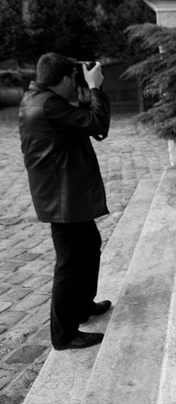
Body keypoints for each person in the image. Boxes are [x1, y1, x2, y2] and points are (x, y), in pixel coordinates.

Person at [19, 53, 112, 351]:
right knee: (70, 265)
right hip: (62, 199)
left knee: (88, 249)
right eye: (75, 79)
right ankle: (64, 334)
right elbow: (97, 122)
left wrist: (86, 94)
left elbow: (83, 124)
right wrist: (95, 88)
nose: (77, 83)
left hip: (63, 195)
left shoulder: (41, 99)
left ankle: (83, 306)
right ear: (64, 79)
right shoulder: (48, 105)